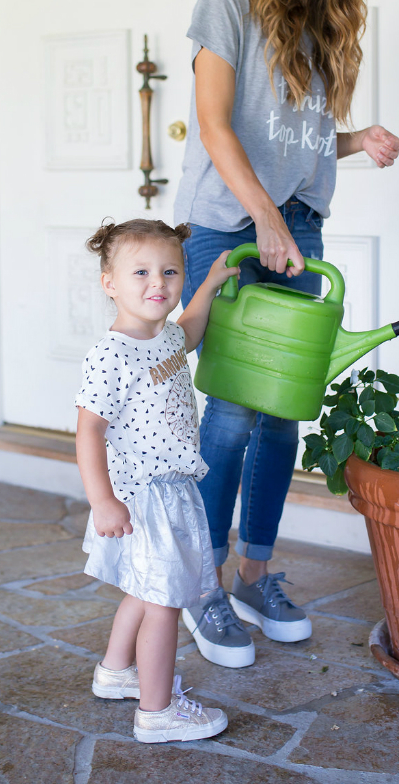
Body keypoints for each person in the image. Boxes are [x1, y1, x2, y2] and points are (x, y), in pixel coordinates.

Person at [175, 0, 399, 668]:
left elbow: (293, 141)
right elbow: (214, 124)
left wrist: (356, 141)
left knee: (282, 414)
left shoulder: (322, 22)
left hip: (297, 230)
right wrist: (265, 217)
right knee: (234, 414)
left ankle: (253, 574)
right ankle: (199, 584)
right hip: (231, 230)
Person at [74, 217, 239, 743]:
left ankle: (116, 672)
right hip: (142, 495)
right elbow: (88, 432)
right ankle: (157, 709)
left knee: (146, 593)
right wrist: (102, 501)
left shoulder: (165, 335)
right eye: (141, 271)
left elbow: (189, 331)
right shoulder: (111, 354)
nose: (157, 283)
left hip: (170, 488)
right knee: (165, 602)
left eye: (170, 272)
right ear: (110, 283)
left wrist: (210, 285)